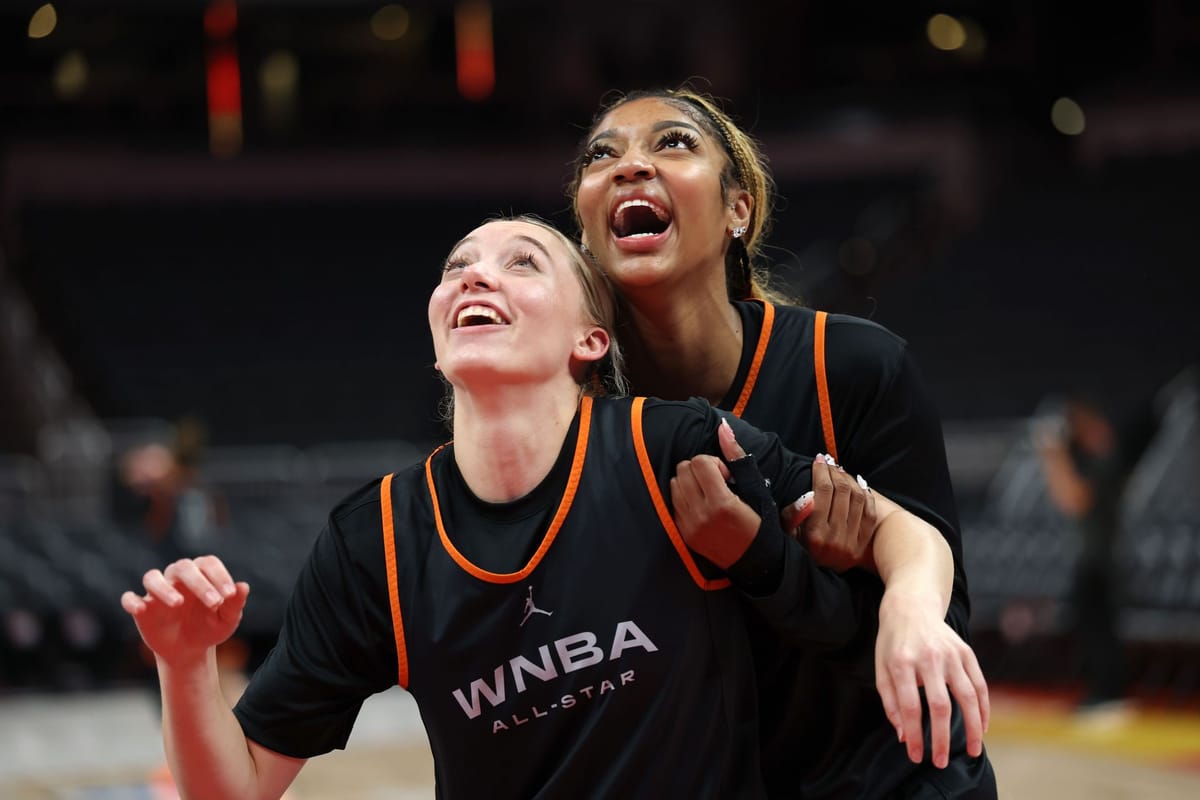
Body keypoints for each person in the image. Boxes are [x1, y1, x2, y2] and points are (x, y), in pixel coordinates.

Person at [121, 217, 965, 799]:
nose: (474, 274)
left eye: (522, 262)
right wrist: (184, 663)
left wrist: (913, 613)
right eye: (456, 266)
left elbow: (901, 529)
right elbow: (235, 788)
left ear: (590, 340)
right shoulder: (374, 539)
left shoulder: (672, 446)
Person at [568, 87, 996, 797]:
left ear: (738, 210)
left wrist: (898, 600)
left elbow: (931, 632)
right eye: (601, 155)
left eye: (673, 143)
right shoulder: (571, 424)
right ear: (584, 229)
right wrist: (794, 567)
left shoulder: (851, 365)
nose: (630, 165)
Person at [1033, 393, 1153, 717]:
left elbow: (1073, 499)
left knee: (1101, 629)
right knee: (1089, 626)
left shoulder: (1105, 461)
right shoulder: (1092, 459)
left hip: (1104, 559)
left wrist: (1053, 455)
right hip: (1093, 559)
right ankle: (1101, 692)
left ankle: (1110, 694)